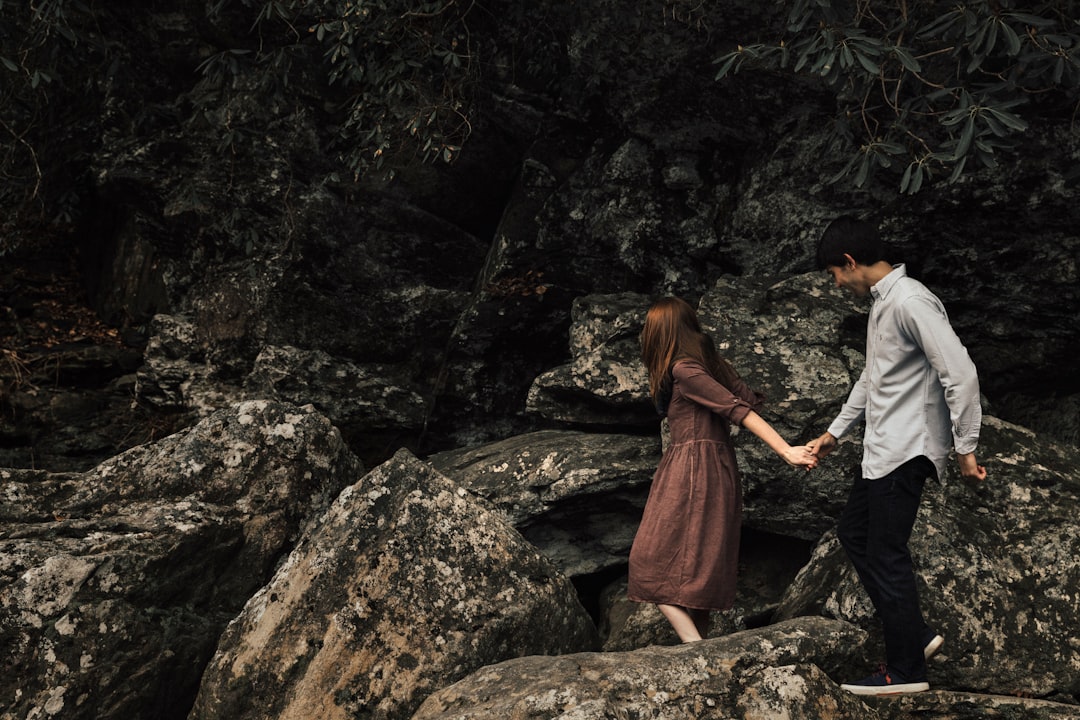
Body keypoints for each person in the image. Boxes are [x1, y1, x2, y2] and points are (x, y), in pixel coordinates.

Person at [807, 216, 987, 696]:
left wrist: (966, 449)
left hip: (908, 448)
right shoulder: (883, 305)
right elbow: (872, 378)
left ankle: (906, 671)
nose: (837, 285)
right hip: (881, 450)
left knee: (886, 553)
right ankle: (917, 635)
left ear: (848, 263)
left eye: (834, 275)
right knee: (854, 533)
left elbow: (961, 373)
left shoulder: (910, 300)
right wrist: (834, 433)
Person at [628, 296, 818, 643]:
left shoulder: (684, 370)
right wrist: (712, 355)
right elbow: (743, 397)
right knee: (698, 568)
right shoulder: (699, 366)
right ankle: (696, 653)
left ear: (661, 333)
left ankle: (695, 648)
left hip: (692, 469)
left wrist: (786, 450)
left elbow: (739, 411)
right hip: (713, 467)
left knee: (646, 566)